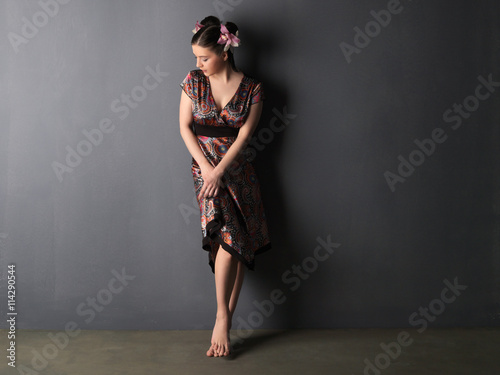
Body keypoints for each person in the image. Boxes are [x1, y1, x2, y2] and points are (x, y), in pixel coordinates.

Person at [179, 15, 271, 357]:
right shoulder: (193, 81)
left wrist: (222, 170)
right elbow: (185, 127)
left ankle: (225, 317)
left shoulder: (253, 89)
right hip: (204, 173)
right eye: (196, 58)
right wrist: (208, 169)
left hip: (238, 172)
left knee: (236, 244)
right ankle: (223, 315)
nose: (198, 64)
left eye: (204, 57)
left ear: (225, 53)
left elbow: (246, 135)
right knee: (227, 235)